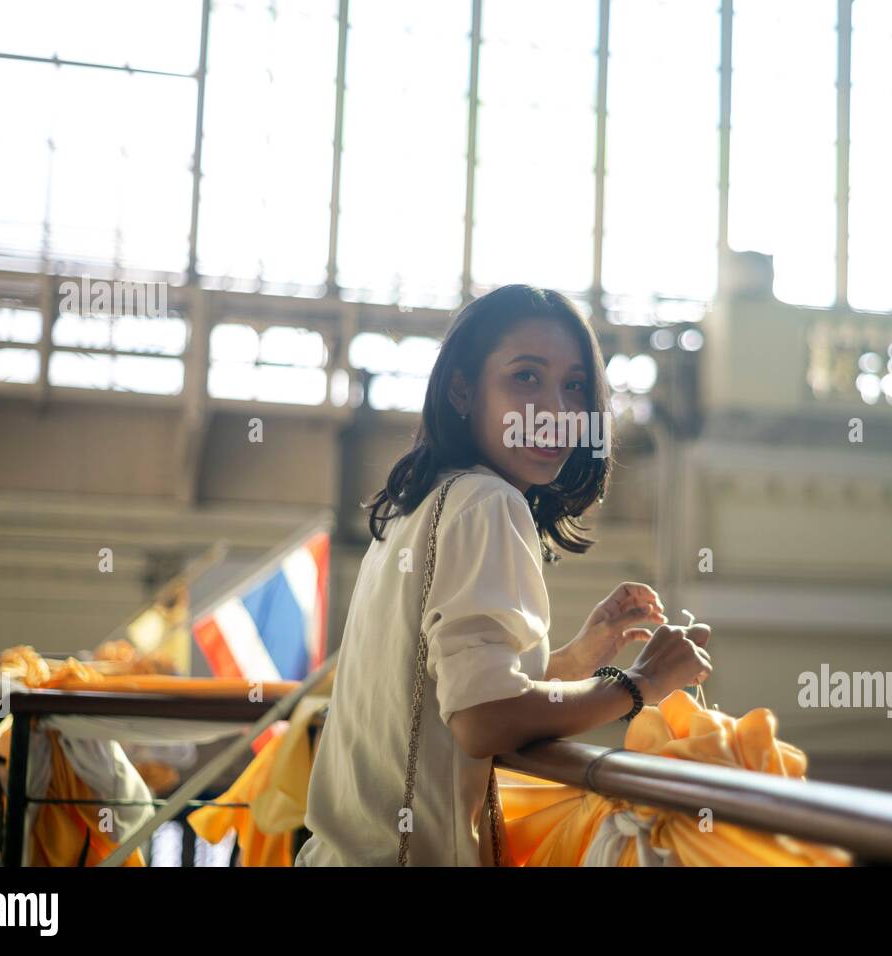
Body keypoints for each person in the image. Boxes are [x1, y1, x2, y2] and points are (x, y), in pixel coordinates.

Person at [295, 284, 713, 866]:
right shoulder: (488, 503)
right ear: (463, 390)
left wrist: (576, 657)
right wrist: (639, 683)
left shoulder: (420, 506)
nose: (556, 411)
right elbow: (483, 721)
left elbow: (456, 689)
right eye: (525, 377)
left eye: (573, 387)